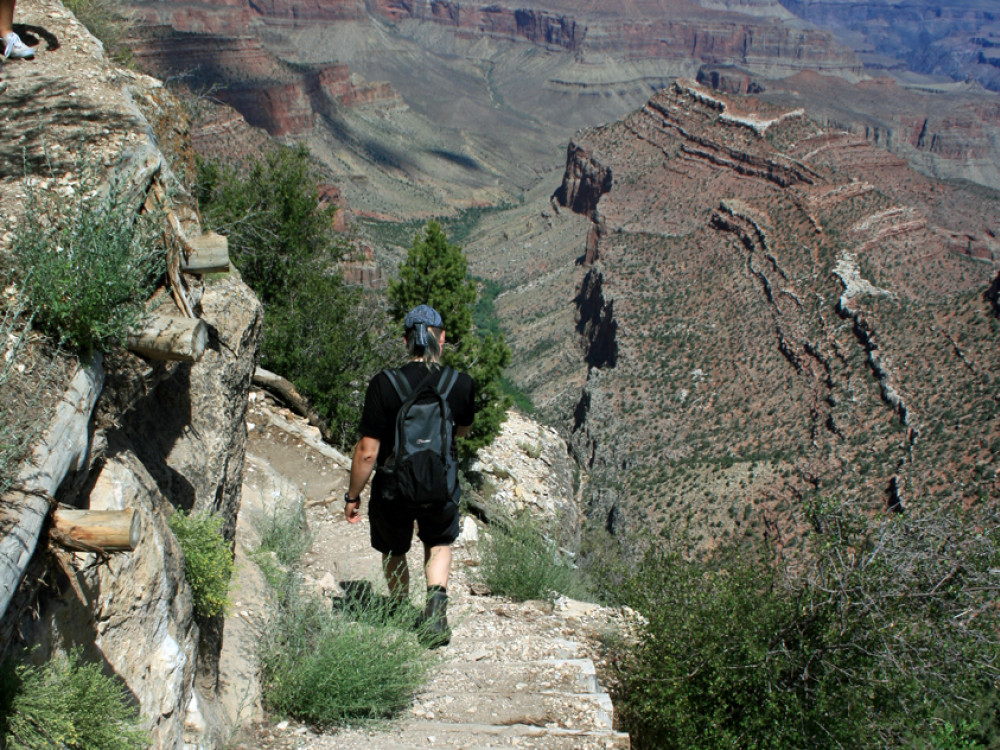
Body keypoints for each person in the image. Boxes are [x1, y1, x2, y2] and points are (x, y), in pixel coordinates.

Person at [345, 304, 476, 647]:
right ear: (442, 338)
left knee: (394, 549)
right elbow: (461, 432)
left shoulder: (384, 384)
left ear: (406, 340)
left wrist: (353, 495)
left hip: (393, 487)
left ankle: (402, 610)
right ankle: (435, 607)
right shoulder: (460, 384)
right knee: (439, 542)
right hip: (439, 484)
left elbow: (367, 451)